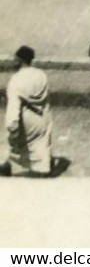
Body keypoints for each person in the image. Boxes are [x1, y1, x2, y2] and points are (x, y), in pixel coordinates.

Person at [3, 47, 54, 177]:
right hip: (42, 118)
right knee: (40, 147)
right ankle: (42, 171)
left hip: (26, 120)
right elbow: (46, 99)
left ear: (19, 60)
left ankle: (17, 172)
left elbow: (13, 106)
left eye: (14, 59)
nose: (13, 62)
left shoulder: (16, 79)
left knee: (18, 148)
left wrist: (12, 126)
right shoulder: (41, 75)